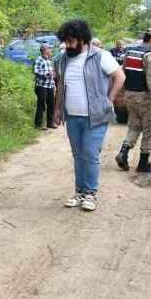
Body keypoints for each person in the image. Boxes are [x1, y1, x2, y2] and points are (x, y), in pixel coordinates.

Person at [54, 20, 125, 212]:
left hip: (95, 116)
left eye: (71, 41)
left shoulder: (101, 56)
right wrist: (58, 110)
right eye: (65, 42)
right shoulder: (62, 59)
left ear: (83, 40)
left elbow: (120, 76)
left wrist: (109, 99)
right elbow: (60, 86)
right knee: (78, 156)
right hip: (73, 116)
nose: (67, 45)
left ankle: (91, 193)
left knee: (90, 154)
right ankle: (79, 192)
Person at [115, 29, 151, 173]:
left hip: (130, 96)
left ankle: (123, 153)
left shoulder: (129, 53)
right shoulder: (149, 56)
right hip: (145, 98)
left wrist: (123, 94)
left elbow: (123, 74)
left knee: (134, 126)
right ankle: (143, 164)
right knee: (149, 129)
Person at [33, 44, 56, 130]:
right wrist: (46, 74)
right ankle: (38, 124)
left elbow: (52, 73)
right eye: (50, 49)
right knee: (41, 105)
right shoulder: (39, 60)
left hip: (50, 85)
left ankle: (50, 123)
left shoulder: (49, 61)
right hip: (41, 86)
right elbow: (35, 71)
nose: (51, 51)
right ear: (45, 50)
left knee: (51, 104)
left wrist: (53, 75)